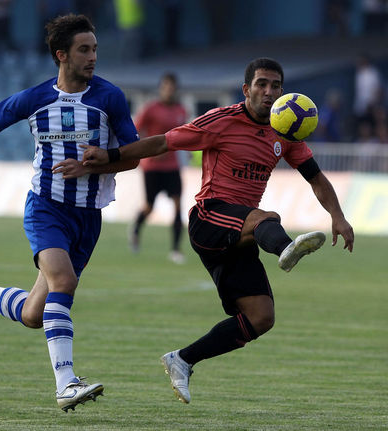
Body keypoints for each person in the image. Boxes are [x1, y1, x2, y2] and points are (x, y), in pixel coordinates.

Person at [79, 57, 355, 404]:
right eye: (262, 84)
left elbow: (315, 177)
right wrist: (111, 154)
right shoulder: (222, 121)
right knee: (265, 217)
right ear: (246, 89)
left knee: (261, 317)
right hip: (210, 218)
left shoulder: (286, 130)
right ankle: (284, 248)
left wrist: (338, 217)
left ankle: (183, 359)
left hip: (240, 234)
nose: (269, 92)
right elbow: (164, 142)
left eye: (276, 86)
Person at [0, 14, 139, 412]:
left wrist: (95, 164)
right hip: (45, 207)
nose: (93, 56)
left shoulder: (109, 98)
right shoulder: (34, 98)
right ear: (62, 55)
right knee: (63, 280)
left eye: (95, 48)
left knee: (33, 313)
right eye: (84, 49)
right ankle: (66, 384)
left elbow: (131, 157)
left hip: (87, 216)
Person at [130, 72, 187, 263]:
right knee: (149, 206)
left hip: (172, 166)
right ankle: (136, 229)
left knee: (178, 205)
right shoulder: (150, 109)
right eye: (166, 86)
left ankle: (176, 250)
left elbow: (184, 135)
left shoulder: (181, 110)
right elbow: (134, 131)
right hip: (152, 166)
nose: (169, 90)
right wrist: (151, 150)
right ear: (161, 88)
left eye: (172, 86)